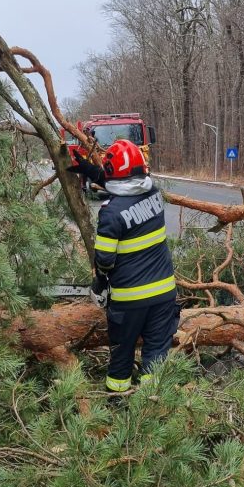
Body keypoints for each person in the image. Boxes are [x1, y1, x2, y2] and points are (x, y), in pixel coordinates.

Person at [68, 139, 178, 397]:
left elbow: (105, 260)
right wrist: (87, 168)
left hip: (129, 300)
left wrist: (99, 284)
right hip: (164, 295)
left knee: (122, 355)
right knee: (155, 356)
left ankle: (118, 401)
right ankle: (151, 406)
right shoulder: (155, 194)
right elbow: (125, 187)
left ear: (112, 173)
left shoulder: (110, 213)